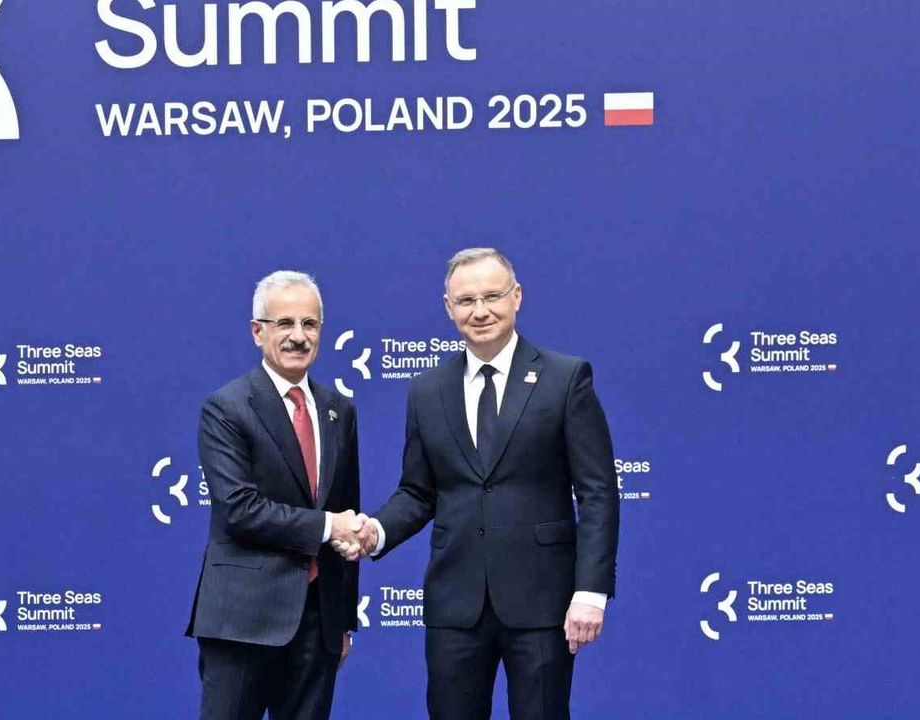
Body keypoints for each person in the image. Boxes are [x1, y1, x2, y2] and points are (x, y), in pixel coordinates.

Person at [337, 248, 620, 720]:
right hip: (455, 603)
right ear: (449, 308)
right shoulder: (427, 390)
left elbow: (598, 493)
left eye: (492, 296)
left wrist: (590, 591)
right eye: (466, 300)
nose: (481, 310)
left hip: (543, 600)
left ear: (517, 297)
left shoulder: (565, 378)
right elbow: (418, 491)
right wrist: (376, 532)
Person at [186, 270, 367, 720]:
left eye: (309, 324)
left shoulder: (339, 411)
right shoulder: (227, 408)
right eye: (284, 323)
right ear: (257, 332)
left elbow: (347, 510)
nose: (298, 336)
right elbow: (240, 510)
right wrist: (329, 526)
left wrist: (343, 621)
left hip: (319, 623)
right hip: (242, 621)